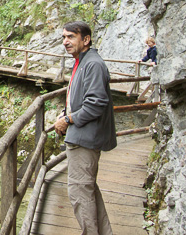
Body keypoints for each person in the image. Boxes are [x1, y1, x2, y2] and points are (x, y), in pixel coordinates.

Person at [54, 21, 117, 235]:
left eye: (71, 37)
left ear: (86, 39)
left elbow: (96, 103)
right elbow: (80, 98)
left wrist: (69, 120)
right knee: (87, 189)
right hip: (81, 136)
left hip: (84, 139)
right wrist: (64, 115)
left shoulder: (93, 64)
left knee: (80, 193)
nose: (65, 41)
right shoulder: (82, 62)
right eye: (64, 37)